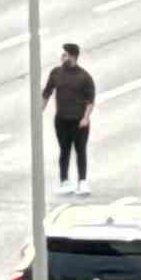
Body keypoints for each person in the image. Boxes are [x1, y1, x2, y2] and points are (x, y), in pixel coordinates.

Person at [42, 43, 97, 196]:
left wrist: (86, 118)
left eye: (65, 55)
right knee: (64, 150)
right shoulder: (56, 73)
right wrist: (40, 111)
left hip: (79, 121)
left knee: (81, 151)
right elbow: (47, 93)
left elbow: (90, 100)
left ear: (73, 56)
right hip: (61, 120)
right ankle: (64, 180)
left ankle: (83, 181)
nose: (62, 57)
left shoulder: (84, 77)